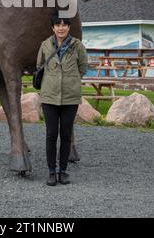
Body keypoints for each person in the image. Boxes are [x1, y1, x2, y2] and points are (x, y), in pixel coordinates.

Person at [36, 13, 88, 186]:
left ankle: (63, 171)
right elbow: (39, 66)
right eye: (58, 25)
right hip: (49, 97)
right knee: (51, 134)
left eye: (64, 25)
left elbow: (83, 67)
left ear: (69, 27)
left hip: (70, 97)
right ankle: (51, 171)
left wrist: (70, 79)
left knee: (66, 135)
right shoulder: (45, 45)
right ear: (53, 28)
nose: (61, 28)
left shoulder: (77, 45)